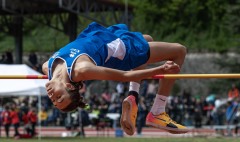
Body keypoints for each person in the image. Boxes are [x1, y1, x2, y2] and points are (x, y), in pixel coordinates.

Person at [42, 22, 188, 135]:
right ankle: (157, 111)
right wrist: (160, 69)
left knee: (147, 38)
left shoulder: (47, 67)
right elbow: (124, 76)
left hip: (104, 36)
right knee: (179, 51)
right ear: (70, 86)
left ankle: (133, 96)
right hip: (119, 50)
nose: (52, 97)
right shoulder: (82, 69)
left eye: (55, 100)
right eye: (59, 98)